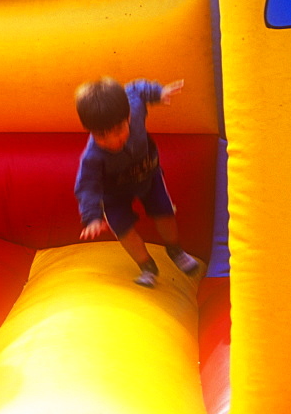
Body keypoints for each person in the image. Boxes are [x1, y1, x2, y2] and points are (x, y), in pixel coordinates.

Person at [73, 76, 201, 287]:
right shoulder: (93, 156)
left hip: (147, 174)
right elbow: (87, 185)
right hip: (114, 191)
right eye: (102, 136)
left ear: (128, 117)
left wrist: (158, 93)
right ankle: (147, 266)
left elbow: (136, 89)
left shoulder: (134, 106)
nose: (113, 141)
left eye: (118, 131)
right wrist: (92, 216)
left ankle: (175, 249)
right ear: (90, 131)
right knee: (123, 229)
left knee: (165, 213)